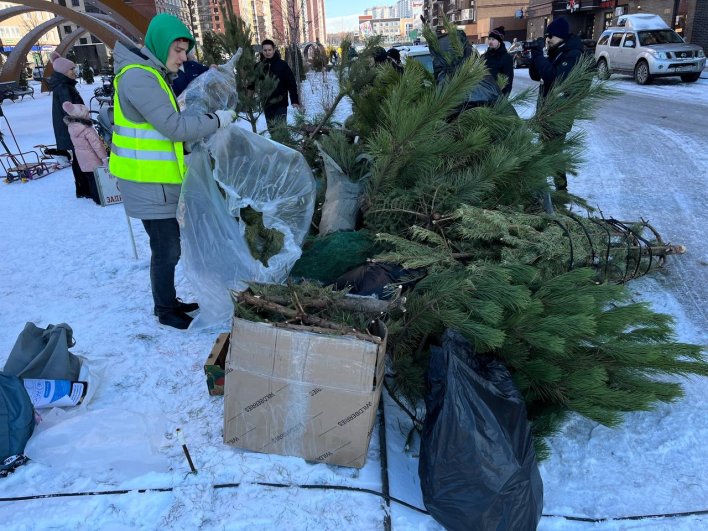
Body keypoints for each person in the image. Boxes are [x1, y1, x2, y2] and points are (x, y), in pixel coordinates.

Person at [109, 13, 237, 329]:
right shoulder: (139, 78)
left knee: (168, 248)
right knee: (166, 250)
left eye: (185, 51)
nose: (183, 58)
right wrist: (217, 121)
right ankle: (165, 310)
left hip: (157, 182)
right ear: (160, 44)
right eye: (178, 50)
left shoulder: (151, 75)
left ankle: (167, 301)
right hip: (148, 183)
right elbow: (173, 127)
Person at [529, 17, 584, 191]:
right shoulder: (557, 51)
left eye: (551, 35)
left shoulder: (573, 54)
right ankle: (556, 191)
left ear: (560, 36)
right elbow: (536, 75)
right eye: (547, 36)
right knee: (550, 153)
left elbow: (554, 78)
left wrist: (539, 55)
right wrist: (536, 55)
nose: (548, 39)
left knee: (550, 153)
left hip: (559, 113)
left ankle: (558, 191)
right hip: (547, 112)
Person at [47, 51, 99, 200]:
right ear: (64, 71)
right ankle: (87, 189)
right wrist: (85, 120)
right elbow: (71, 111)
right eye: (71, 70)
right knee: (82, 157)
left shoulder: (64, 85)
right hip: (74, 129)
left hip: (72, 129)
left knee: (79, 157)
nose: (74, 72)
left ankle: (83, 189)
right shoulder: (64, 87)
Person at [62, 102, 107, 197]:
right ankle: (99, 198)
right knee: (97, 179)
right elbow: (96, 145)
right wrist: (104, 157)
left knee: (90, 177)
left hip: (81, 157)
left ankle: (91, 194)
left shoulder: (72, 127)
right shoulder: (87, 129)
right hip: (93, 157)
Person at [258, 39, 300, 132]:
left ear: (273, 50)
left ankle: (283, 145)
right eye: (265, 50)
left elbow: (291, 83)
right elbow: (252, 83)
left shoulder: (282, 65)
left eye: (269, 50)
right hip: (267, 104)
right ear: (262, 51)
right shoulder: (259, 66)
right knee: (272, 130)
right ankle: (275, 146)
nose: (267, 52)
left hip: (280, 103)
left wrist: (295, 100)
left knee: (281, 130)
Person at [483, 26, 514, 96]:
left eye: (493, 39)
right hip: (483, 94)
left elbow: (508, 81)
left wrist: (502, 99)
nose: (490, 41)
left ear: (499, 41)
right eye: (489, 39)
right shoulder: (485, 56)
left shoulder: (506, 58)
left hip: (497, 95)